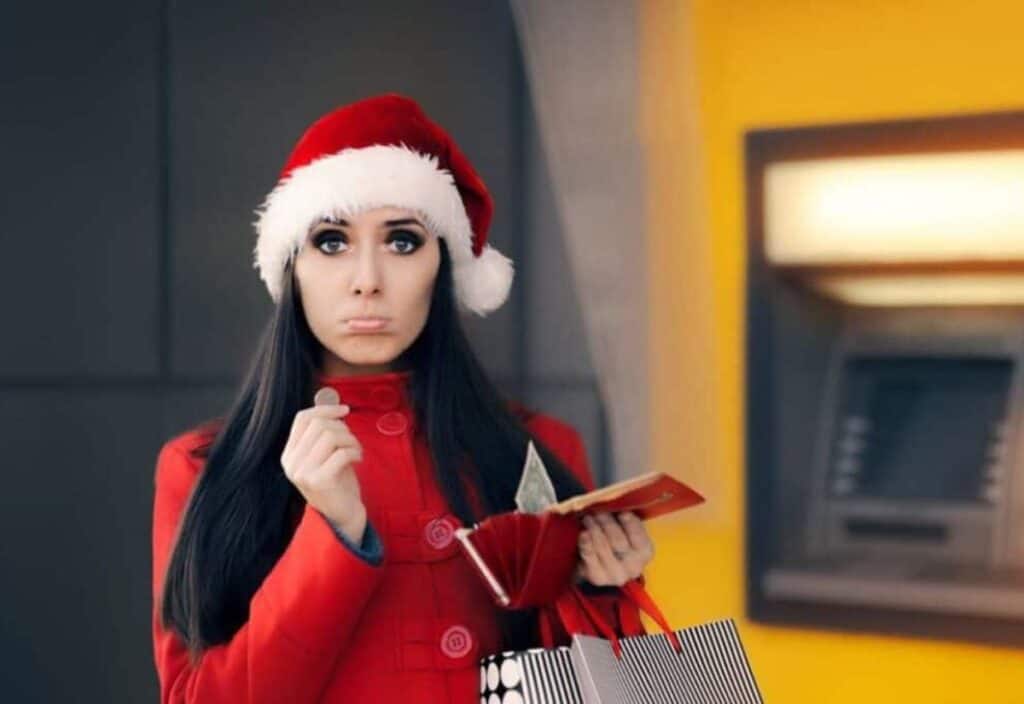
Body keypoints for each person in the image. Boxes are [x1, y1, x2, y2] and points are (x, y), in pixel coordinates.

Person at [151, 93, 654, 704]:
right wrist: (333, 530)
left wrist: (600, 586)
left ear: (442, 266)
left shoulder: (536, 450)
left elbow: (592, 684)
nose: (367, 279)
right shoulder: (204, 465)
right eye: (331, 242)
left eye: (403, 242)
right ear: (292, 269)